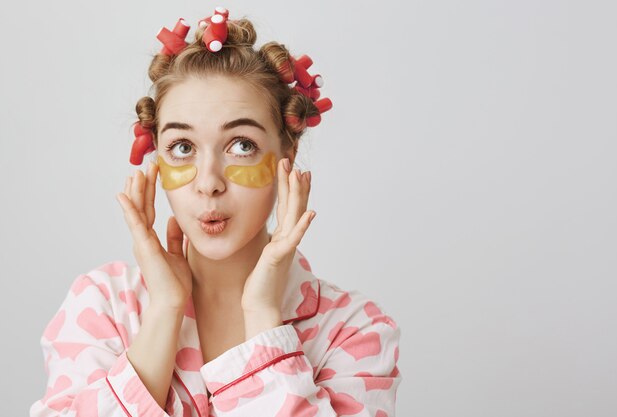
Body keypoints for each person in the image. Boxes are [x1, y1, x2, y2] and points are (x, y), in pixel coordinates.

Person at [30, 6, 402, 417]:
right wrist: (163, 312)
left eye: (241, 145)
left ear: (287, 154)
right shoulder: (103, 306)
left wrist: (262, 313)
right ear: (158, 157)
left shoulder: (353, 330)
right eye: (182, 147)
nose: (209, 182)